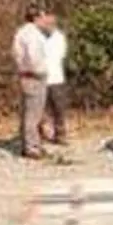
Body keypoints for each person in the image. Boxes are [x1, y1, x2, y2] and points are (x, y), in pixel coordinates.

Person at [12, 4, 51, 159]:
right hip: (34, 75)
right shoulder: (33, 35)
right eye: (42, 16)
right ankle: (32, 147)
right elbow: (34, 56)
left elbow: (16, 54)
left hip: (24, 75)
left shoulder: (20, 33)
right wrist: (39, 71)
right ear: (36, 17)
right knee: (34, 113)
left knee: (27, 111)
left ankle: (26, 143)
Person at [43, 14, 69, 146]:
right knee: (41, 108)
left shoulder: (59, 37)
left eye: (48, 24)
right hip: (41, 78)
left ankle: (60, 134)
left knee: (58, 108)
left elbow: (62, 55)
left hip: (56, 77)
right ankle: (42, 133)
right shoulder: (38, 37)